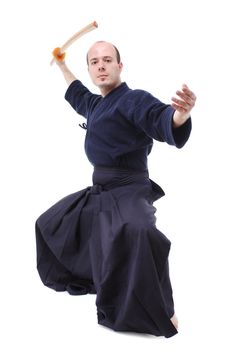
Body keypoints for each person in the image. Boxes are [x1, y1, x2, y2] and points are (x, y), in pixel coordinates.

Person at [35, 41, 196, 338]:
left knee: (142, 233)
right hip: (101, 190)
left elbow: (161, 118)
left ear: (119, 66)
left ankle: (164, 310)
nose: (100, 65)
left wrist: (180, 116)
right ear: (90, 70)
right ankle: (100, 277)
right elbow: (77, 93)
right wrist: (61, 64)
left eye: (107, 60)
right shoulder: (96, 105)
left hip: (129, 189)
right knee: (49, 223)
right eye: (94, 62)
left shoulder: (134, 100)